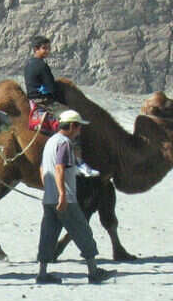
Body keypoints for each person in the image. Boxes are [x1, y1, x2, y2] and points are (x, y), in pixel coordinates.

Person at [36, 110, 115, 284]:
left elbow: (42, 168)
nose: (79, 131)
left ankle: (42, 273)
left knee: (48, 234)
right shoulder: (64, 143)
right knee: (82, 231)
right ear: (72, 126)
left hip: (49, 198)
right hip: (65, 199)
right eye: (78, 127)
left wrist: (49, 189)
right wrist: (63, 194)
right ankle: (94, 272)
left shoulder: (50, 142)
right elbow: (59, 168)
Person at [24, 34, 99, 178]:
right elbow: (50, 87)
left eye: (48, 48)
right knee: (72, 121)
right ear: (36, 49)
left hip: (34, 100)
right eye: (44, 48)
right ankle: (79, 163)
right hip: (44, 101)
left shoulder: (29, 64)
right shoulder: (41, 65)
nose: (47, 51)